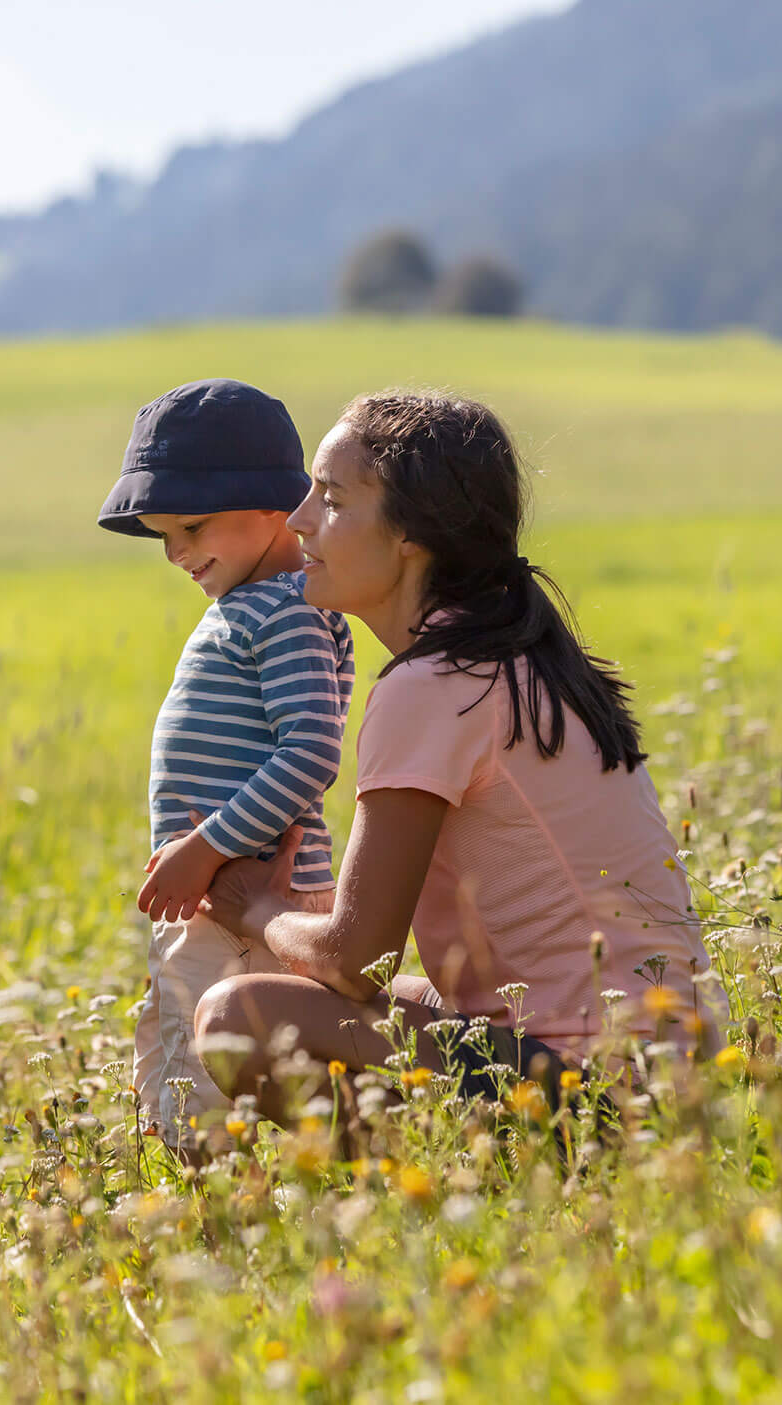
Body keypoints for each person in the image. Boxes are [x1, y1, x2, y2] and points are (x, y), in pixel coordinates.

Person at [188, 390, 724, 1124]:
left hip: (600, 1092)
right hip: (666, 1072)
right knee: (395, 1000)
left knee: (235, 1018)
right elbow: (373, 976)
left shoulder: (431, 686)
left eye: (333, 500)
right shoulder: (511, 656)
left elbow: (354, 957)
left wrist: (260, 908)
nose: (300, 519)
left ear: (412, 533)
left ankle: (451, 1198)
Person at [95, 378, 356, 1150]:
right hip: (224, 899)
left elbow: (309, 750)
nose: (176, 552)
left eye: (192, 526)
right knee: (187, 1060)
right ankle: (234, 1221)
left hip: (246, 898)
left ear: (273, 503)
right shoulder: (253, 606)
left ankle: (234, 1232)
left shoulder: (285, 610)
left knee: (212, 1075)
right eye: (163, 534)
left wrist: (204, 850)